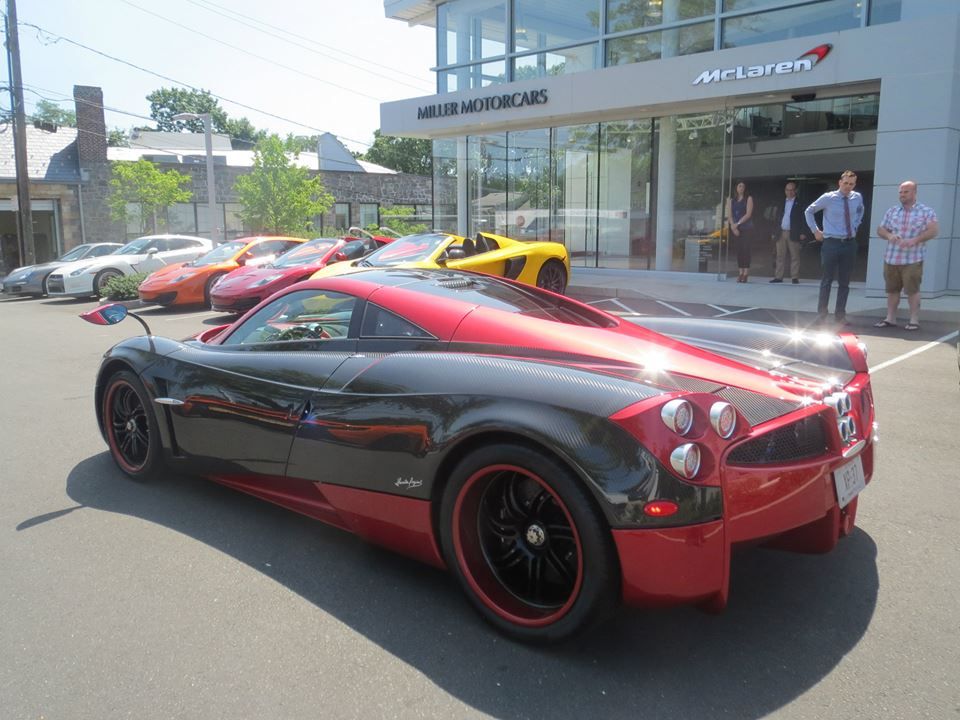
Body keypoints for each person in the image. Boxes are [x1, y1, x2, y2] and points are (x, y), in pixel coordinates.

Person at [874, 180, 939, 331]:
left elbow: (933, 230)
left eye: (906, 192)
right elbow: (880, 229)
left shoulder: (926, 211)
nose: (902, 195)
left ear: (914, 192)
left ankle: (914, 320)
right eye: (900, 192)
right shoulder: (892, 211)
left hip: (913, 259)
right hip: (891, 258)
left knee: (912, 290)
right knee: (892, 290)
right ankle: (890, 318)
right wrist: (889, 236)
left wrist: (914, 240)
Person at [804, 170, 865, 324]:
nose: (847, 187)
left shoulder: (856, 197)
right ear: (840, 182)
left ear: (854, 185)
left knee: (845, 282)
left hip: (849, 243)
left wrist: (856, 225)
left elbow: (860, 210)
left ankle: (840, 315)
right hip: (831, 243)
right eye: (845, 183)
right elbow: (809, 211)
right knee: (827, 280)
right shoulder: (828, 198)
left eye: (851, 184)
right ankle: (822, 314)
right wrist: (815, 231)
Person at [770, 181, 806, 284]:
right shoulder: (781, 202)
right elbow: (776, 218)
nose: (789, 192)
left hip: (793, 232)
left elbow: (804, 218)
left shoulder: (800, 202)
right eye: (787, 190)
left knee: (795, 255)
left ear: (795, 191)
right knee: (779, 255)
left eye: (791, 190)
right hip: (781, 231)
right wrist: (774, 231)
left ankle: (794, 277)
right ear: (785, 191)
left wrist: (803, 232)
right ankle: (778, 277)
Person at [726, 181, 754, 283]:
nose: (741, 188)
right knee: (739, 251)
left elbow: (748, 214)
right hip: (735, 229)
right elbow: (729, 215)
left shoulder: (748, 199)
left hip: (746, 228)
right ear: (736, 188)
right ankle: (740, 272)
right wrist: (733, 227)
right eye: (739, 186)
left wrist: (736, 224)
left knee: (746, 250)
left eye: (743, 186)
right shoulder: (731, 200)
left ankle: (746, 273)